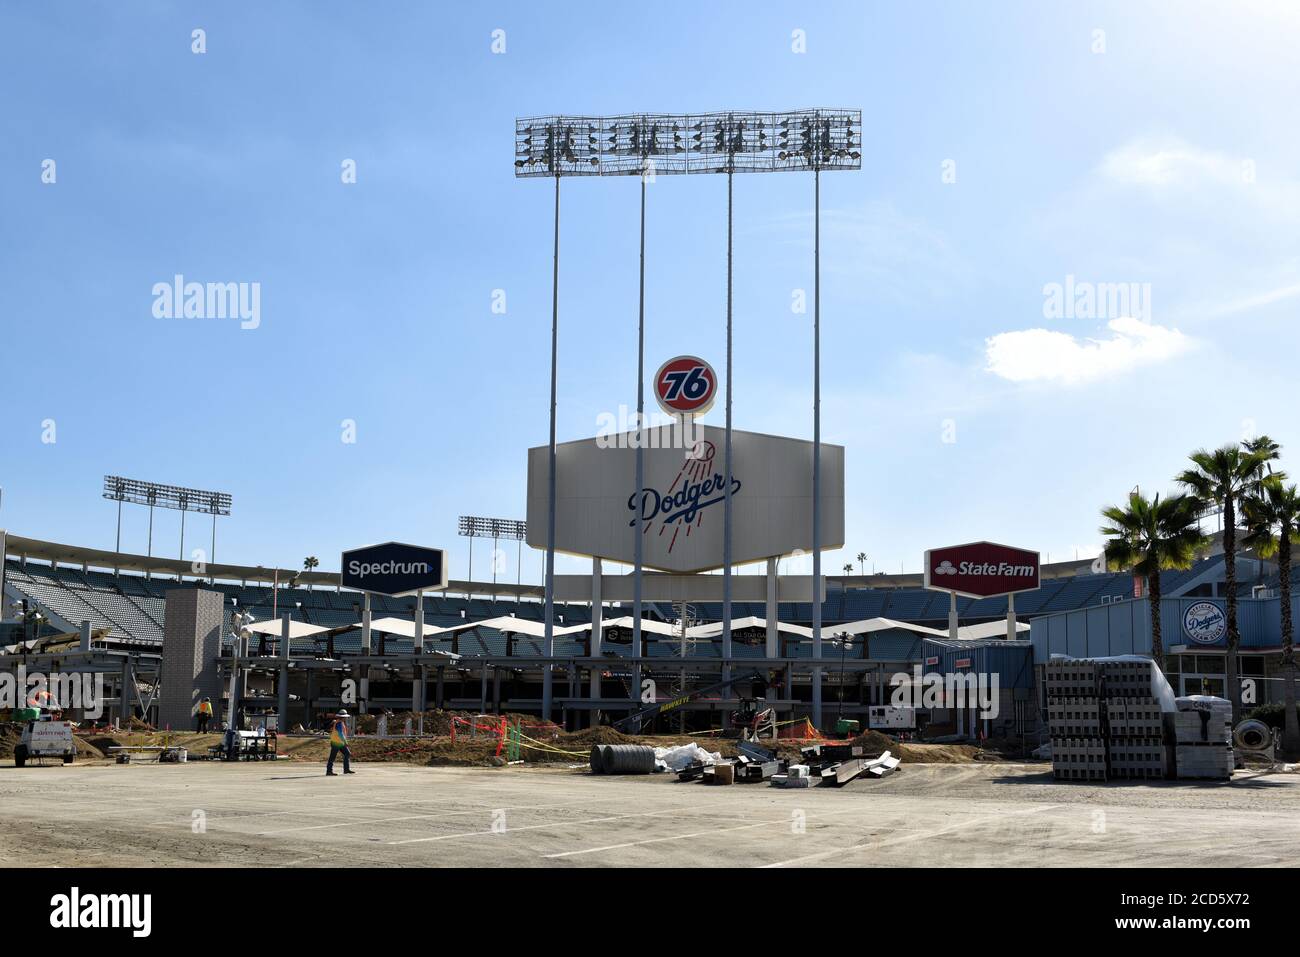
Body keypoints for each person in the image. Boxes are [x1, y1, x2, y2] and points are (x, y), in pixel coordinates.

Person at [326, 710, 355, 776]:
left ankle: (346, 769)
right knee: (332, 757)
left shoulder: (340, 722)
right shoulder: (339, 723)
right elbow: (340, 733)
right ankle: (329, 771)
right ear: (343, 717)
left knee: (347, 753)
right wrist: (345, 741)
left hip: (339, 742)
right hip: (336, 742)